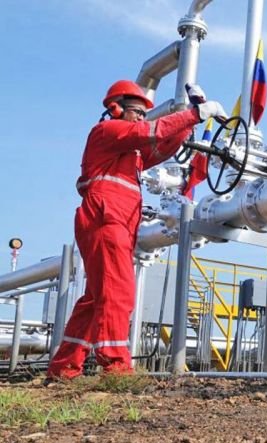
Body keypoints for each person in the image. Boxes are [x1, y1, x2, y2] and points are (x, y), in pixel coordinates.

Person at [46, 80, 227, 380]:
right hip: (106, 216)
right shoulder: (106, 131)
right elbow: (150, 132)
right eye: (137, 112)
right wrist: (195, 114)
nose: (142, 117)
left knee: (96, 298)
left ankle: (64, 368)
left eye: (145, 113)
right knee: (119, 291)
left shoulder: (131, 153)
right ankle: (116, 367)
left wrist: (191, 120)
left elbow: (163, 145)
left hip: (117, 220)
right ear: (116, 109)